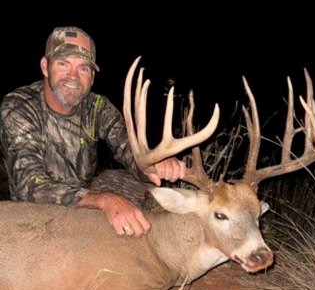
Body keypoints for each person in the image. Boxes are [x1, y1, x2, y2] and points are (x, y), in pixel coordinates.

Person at [0, 26, 185, 237]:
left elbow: (127, 149)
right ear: (45, 66)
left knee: (143, 187)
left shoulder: (97, 107)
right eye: (63, 64)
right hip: (37, 213)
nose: (73, 76)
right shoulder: (19, 107)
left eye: (83, 68)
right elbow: (29, 184)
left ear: (92, 77)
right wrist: (103, 200)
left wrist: (154, 164)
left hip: (84, 202)